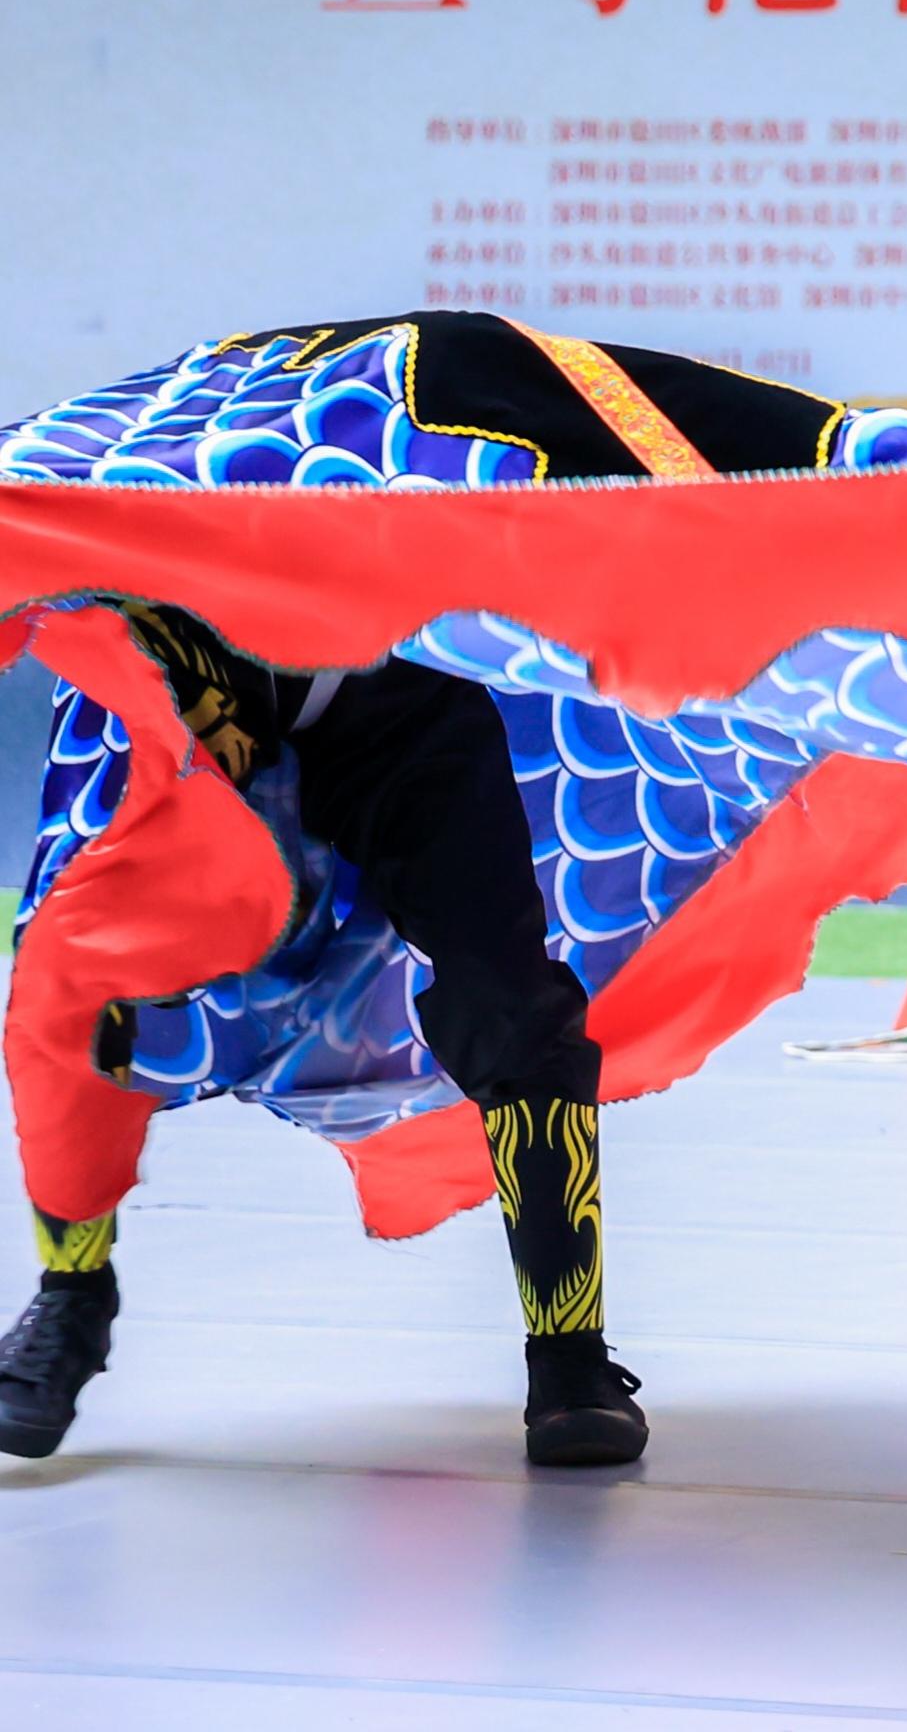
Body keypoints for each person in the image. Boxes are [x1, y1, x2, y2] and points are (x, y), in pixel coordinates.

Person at [0, 603, 649, 1469]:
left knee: (507, 996)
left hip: (397, 684)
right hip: (166, 671)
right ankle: (72, 1294)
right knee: (74, 969)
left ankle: (570, 1355)